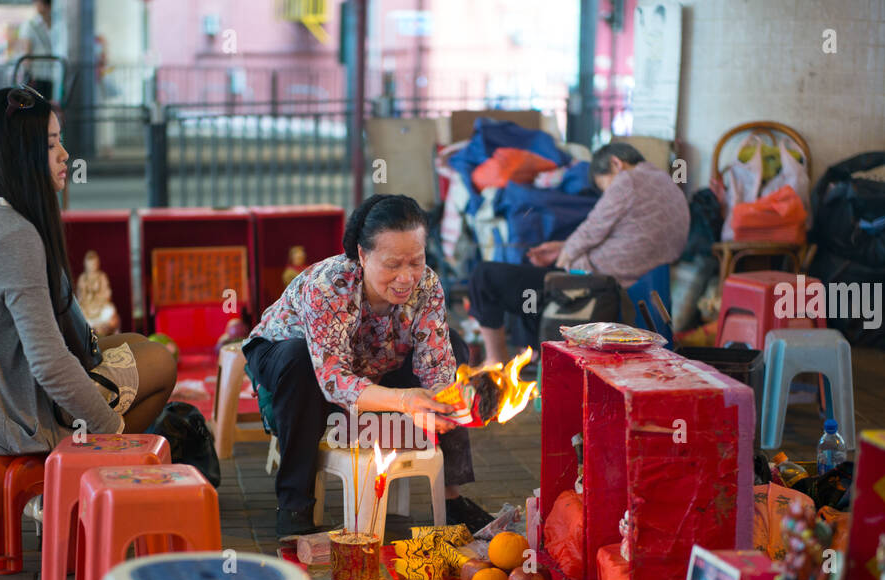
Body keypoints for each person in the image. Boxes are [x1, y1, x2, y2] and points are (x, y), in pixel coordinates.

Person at [0, 85, 177, 458]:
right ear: (20, 153)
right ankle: (88, 475)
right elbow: (49, 364)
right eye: (52, 145)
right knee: (162, 362)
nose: (66, 155)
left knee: (135, 343)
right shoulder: (12, 234)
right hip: (10, 425)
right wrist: (113, 431)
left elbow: (68, 345)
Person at [243, 193, 494, 538]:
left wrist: (447, 402)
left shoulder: (428, 284)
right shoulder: (329, 286)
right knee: (299, 363)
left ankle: (452, 499)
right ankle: (294, 502)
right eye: (393, 265)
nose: (407, 277)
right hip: (294, 358)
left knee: (454, 346)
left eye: (416, 261)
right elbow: (332, 380)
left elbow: (436, 367)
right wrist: (406, 401)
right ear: (362, 255)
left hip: (375, 361)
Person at [467, 142, 690, 364]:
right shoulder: (668, 184)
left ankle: (496, 363)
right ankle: (533, 358)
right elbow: (623, 236)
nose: (607, 194)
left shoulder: (628, 180)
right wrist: (561, 248)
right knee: (528, 286)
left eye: (605, 188)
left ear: (616, 163)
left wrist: (562, 260)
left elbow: (591, 230)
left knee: (485, 276)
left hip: (593, 288)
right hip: (626, 281)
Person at [19, 0, 56, 100]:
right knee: (37, 106)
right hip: (36, 76)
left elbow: (27, 53)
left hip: (49, 74)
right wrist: (27, 73)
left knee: (46, 105)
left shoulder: (56, 24)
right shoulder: (30, 25)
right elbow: (27, 53)